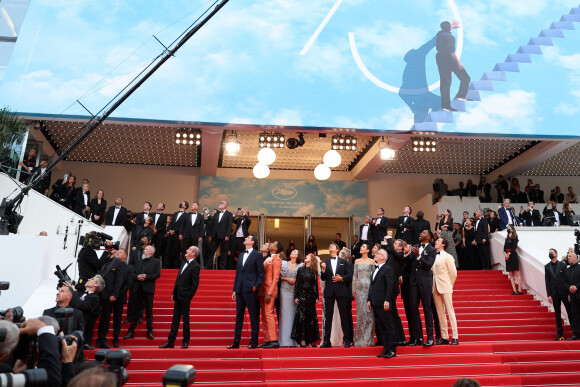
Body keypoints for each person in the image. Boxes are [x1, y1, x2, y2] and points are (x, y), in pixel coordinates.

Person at [159, 245, 201, 349]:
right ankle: (171, 341)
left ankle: (185, 341)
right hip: (178, 295)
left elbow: (195, 284)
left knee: (185, 320)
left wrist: (188, 297)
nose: (187, 250)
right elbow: (178, 280)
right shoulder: (183, 264)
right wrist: (174, 292)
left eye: (189, 249)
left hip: (185, 297)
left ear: (193, 254)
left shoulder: (195, 266)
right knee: (175, 319)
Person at [228, 235, 264, 349]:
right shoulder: (241, 254)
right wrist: (234, 289)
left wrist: (255, 286)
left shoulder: (257, 255)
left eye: (247, 238)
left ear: (252, 242)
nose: (245, 239)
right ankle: (236, 342)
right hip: (239, 289)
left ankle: (253, 342)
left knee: (253, 316)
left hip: (250, 290)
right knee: (239, 316)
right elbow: (238, 274)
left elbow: (261, 274)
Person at [320, 243, 354, 348]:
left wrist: (341, 278)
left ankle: (347, 340)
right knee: (328, 317)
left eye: (332, 245)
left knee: (344, 316)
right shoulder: (325, 262)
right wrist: (324, 270)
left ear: (337, 249)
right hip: (329, 291)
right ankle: (327, 341)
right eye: (329, 246)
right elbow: (323, 278)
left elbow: (350, 275)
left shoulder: (344, 262)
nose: (330, 247)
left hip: (341, 291)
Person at [124, 245, 161, 341]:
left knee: (149, 311)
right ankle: (131, 331)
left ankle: (149, 331)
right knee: (134, 310)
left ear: (151, 252)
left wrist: (146, 277)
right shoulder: (138, 261)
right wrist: (137, 276)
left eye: (146, 249)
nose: (144, 251)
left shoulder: (156, 262)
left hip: (148, 289)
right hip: (137, 288)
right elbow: (132, 273)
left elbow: (157, 274)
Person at [405, 230, 436, 347]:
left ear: (429, 237)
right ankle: (418, 337)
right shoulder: (416, 246)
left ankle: (430, 338)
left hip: (425, 282)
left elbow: (428, 266)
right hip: (414, 282)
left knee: (427, 308)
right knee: (413, 308)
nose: (420, 233)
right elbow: (409, 263)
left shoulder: (432, 250)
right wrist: (407, 253)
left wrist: (418, 256)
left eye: (423, 232)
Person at [367, 249, 397, 358]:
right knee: (381, 327)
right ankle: (385, 349)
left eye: (378, 253)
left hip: (383, 302)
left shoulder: (387, 269)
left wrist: (387, 300)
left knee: (388, 326)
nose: (375, 254)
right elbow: (372, 286)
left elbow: (390, 286)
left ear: (383, 257)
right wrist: (369, 299)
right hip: (375, 302)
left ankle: (392, 349)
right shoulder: (375, 269)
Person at [435, 20, 470, 111]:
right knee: (465, 78)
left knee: (445, 82)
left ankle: (445, 106)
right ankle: (461, 95)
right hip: (449, 58)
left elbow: (446, 30)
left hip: (439, 58)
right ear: (449, 27)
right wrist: (459, 63)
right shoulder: (451, 38)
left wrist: (452, 26)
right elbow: (452, 52)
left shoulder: (439, 33)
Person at [432, 237, 459, 345]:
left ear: (443, 244)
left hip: (446, 286)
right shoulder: (433, 256)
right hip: (435, 287)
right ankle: (445, 337)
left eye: (438, 241)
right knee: (440, 313)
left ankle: (455, 336)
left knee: (450, 311)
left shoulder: (448, 256)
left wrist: (449, 284)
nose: (436, 242)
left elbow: (453, 273)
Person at [291, 253, 320, 347]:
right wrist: (296, 296)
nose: (306, 256)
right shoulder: (300, 269)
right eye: (306, 255)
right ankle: (303, 340)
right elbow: (297, 284)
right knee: (302, 317)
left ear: (312, 259)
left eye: (308, 256)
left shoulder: (314, 270)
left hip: (311, 296)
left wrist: (317, 297)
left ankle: (311, 340)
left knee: (311, 318)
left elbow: (315, 284)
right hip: (302, 295)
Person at [68, 275, 104, 349]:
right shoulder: (78, 294)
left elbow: (81, 306)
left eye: (92, 279)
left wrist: (73, 291)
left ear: (96, 284)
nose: (88, 278)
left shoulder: (94, 298)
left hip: (79, 327)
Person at [259, 241, 282, 348]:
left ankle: (273, 339)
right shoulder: (268, 258)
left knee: (268, 314)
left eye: (273, 243)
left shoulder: (277, 259)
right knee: (264, 315)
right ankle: (267, 339)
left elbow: (276, 278)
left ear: (276, 248)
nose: (270, 244)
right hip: (262, 289)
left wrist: (270, 292)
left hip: (269, 290)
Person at [545, 248, 571, 340]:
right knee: (557, 314)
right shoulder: (547, 266)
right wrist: (549, 295)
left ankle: (575, 331)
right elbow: (547, 282)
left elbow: (567, 279)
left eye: (551, 252)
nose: (550, 253)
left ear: (556, 254)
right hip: (554, 293)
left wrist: (569, 293)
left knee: (570, 311)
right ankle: (560, 334)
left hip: (564, 292)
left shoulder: (563, 265)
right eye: (549, 252)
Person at [279, 249, 303, 347]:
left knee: (294, 316)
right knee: (284, 315)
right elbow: (278, 276)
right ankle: (284, 341)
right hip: (284, 291)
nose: (292, 252)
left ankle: (295, 340)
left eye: (295, 252)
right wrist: (287, 279)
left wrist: (296, 280)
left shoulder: (301, 265)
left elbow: (304, 277)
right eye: (292, 251)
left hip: (295, 292)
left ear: (298, 255)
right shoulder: (283, 263)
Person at [353, 243, 375, 346]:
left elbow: (374, 276)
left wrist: (373, 289)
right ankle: (359, 339)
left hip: (369, 288)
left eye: (363, 247)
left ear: (367, 250)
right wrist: (353, 289)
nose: (361, 248)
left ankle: (368, 339)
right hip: (359, 288)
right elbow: (354, 276)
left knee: (369, 313)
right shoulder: (357, 261)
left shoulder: (372, 261)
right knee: (360, 313)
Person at [211, 200, 234, 270]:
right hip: (215, 235)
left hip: (224, 236)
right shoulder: (216, 214)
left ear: (226, 205)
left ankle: (222, 267)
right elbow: (213, 225)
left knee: (224, 252)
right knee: (211, 251)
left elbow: (229, 226)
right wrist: (211, 235)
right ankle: (208, 266)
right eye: (220, 203)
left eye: (223, 203)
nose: (221, 204)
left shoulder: (229, 214)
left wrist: (227, 235)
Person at [166, 201, 189, 269]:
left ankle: (175, 266)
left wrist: (175, 231)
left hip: (178, 235)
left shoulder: (186, 215)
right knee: (168, 249)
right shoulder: (175, 213)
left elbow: (183, 226)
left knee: (176, 250)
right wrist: (169, 230)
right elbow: (171, 223)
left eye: (183, 203)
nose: (181, 203)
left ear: (185, 206)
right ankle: (166, 265)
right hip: (171, 234)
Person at [564, 250, 580, 340]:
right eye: (568, 257)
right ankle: (576, 334)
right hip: (572, 297)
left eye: (570, 256)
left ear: (575, 258)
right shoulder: (567, 270)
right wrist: (569, 288)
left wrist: (576, 287)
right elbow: (564, 283)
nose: (568, 258)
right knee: (574, 315)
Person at [504, 226, 522, 295]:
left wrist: (508, 254)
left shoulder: (515, 237)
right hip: (507, 257)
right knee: (511, 274)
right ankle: (514, 290)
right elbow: (505, 247)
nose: (508, 229)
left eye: (509, 228)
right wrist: (505, 254)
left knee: (516, 273)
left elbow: (514, 246)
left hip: (513, 255)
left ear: (512, 229)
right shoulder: (507, 238)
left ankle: (519, 290)